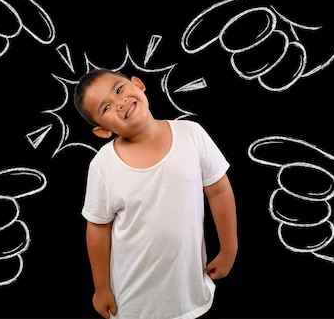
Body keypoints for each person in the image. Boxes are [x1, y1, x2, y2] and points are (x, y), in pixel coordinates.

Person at [73, 68, 238, 319]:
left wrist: (229, 250)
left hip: (191, 295)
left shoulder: (191, 134)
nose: (120, 103)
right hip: (131, 301)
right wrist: (101, 287)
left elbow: (218, 191)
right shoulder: (103, 164)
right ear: (103, 130)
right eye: (105, 108)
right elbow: (98, 227)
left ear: (138, 84)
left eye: (119, 90)